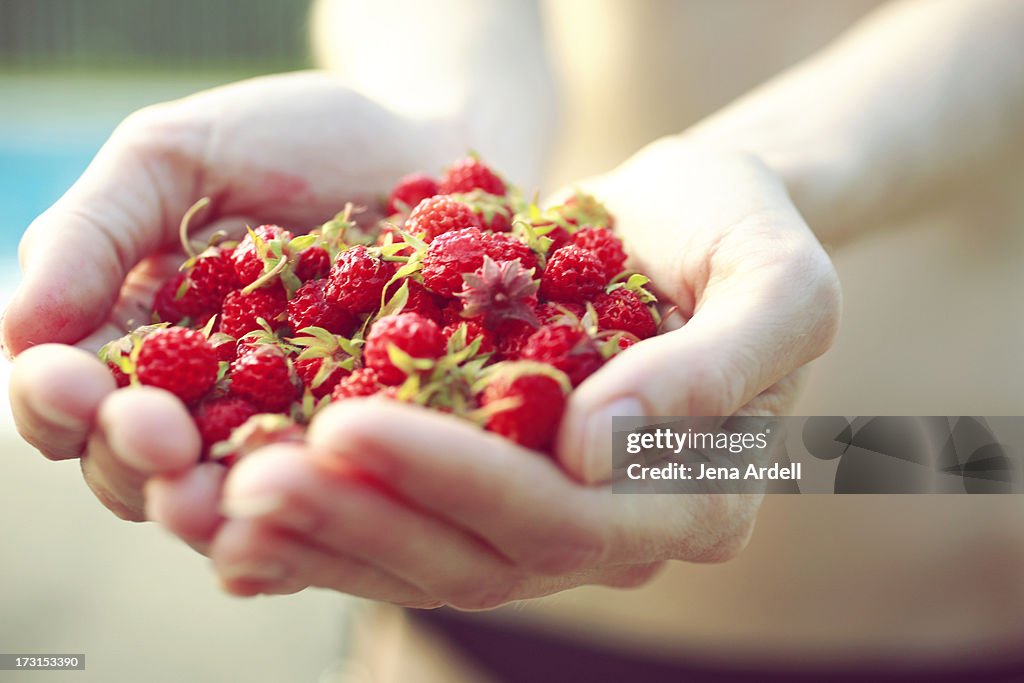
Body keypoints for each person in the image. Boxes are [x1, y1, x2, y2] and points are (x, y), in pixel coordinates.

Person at [4, 0, 1024, 679]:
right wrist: (437, 111)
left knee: (631, 441)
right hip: (492, 578)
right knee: (564, 451)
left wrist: (773, 167)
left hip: (951, 469)